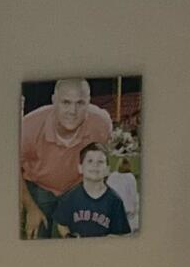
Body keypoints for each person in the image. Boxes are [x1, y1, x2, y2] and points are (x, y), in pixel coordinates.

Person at [20, 78, 115, 231]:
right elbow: (12, 169)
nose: (73, 111)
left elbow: (101, 163)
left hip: (76, 188)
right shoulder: (29, 126)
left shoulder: (101, 123)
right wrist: (31, 208)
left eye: (80, 103)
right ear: (54, 101)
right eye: (66, 102)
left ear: (89, 102)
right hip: (39, 186)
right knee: (38, 236)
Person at [47, 142, 131, 238]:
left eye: (100, 162)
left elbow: (121, 234)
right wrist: (68, 236)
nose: (95, 165)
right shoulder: (69, 198)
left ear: (107, 170)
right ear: (80, 168)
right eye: (90, 161)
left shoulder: (115, 201)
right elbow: (61, 224)